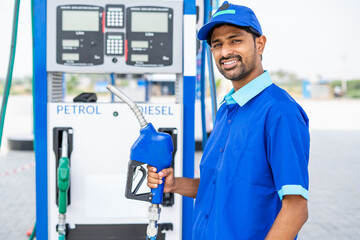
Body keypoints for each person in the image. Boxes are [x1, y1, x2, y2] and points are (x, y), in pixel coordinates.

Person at [147, 1, 310, 239]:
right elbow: (220, 185)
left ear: (260, 43)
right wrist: (175, 185)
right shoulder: (228, 109)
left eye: (235, 40)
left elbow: (296, 208)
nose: (225, 52)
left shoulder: (279, 113)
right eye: (217, 44)